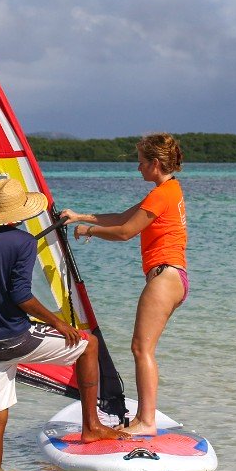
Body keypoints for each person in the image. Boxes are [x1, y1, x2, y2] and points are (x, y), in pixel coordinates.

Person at [0, 177, 128, 467]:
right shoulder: (24, 241)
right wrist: (58, 323)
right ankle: (91, 427)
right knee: (88, 344)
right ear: (20, 211)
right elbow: (20, 296)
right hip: (15, 339)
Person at [61, 133, 188, 436]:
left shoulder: (161, 194)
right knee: (143, 348)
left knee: (141, 349)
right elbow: (120, 216)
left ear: (156, 163)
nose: (138, 168)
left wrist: (88, 230)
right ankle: (145, 419)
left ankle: (146, 421)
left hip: (164, 277)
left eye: (142, 163)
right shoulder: (168, 190)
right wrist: (79, 215)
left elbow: (125, 232)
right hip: (173, 277)